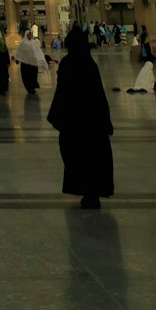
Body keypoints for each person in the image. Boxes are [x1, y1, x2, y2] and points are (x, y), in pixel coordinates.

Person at [46, 24, 114, 210]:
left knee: (76, 155)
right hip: (93, 123)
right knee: (94, 157)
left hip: (74, 123)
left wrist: (57, 116)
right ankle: (93, 192)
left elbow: (63, 93)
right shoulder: (89, 64)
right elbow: (99, 96)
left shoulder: (69, 64)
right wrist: (105, 120)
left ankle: (85, 190)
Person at [15, 27, 49, 96]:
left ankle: (33, 87)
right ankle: (29, 88)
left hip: (33, 64)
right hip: (25, 64)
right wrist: (17, 59)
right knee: (26, 76)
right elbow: (20, 52)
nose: (30, 36)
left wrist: (41, 60)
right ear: (26, 35)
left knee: (33, 76)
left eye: (31, 35)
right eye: (29, 35)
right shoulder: (23, 43)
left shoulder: (34, 42)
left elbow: (38, 52)